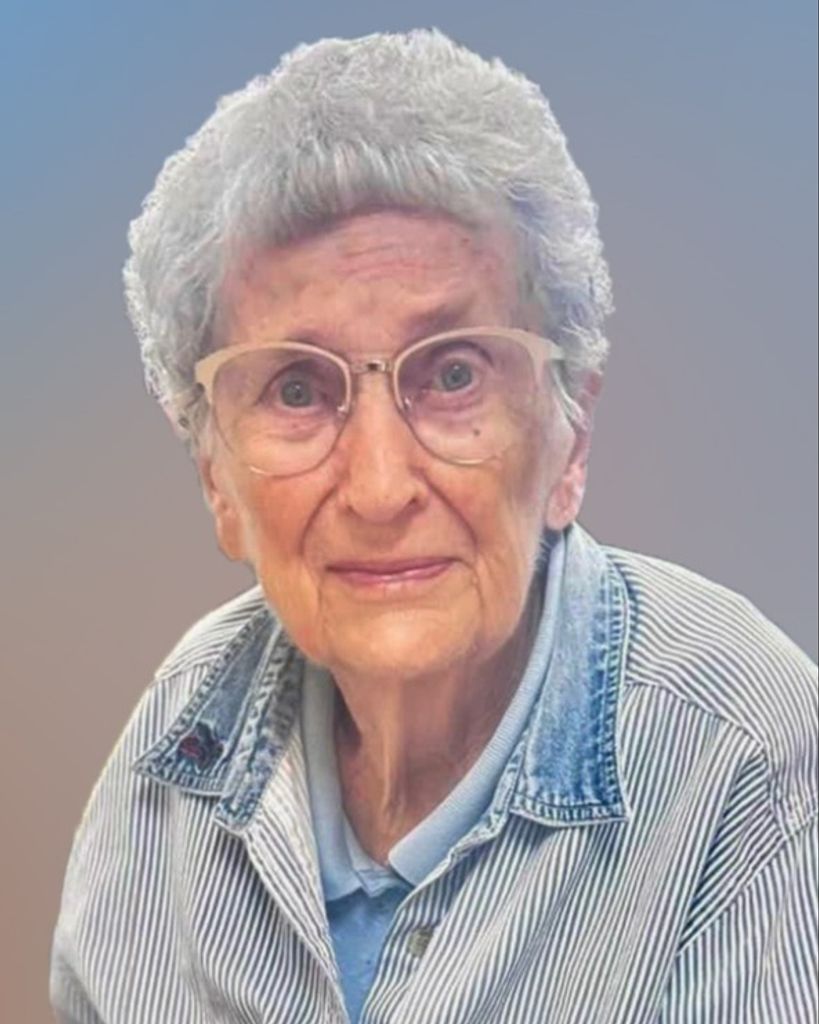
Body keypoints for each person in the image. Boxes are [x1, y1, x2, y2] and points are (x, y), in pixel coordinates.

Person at [50, 29, 817, 1024]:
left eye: (454, 374)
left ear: (570, 437)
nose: (379, 488)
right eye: (296, 389)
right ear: (216, 477)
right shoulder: (181, 733)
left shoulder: (742, 757)